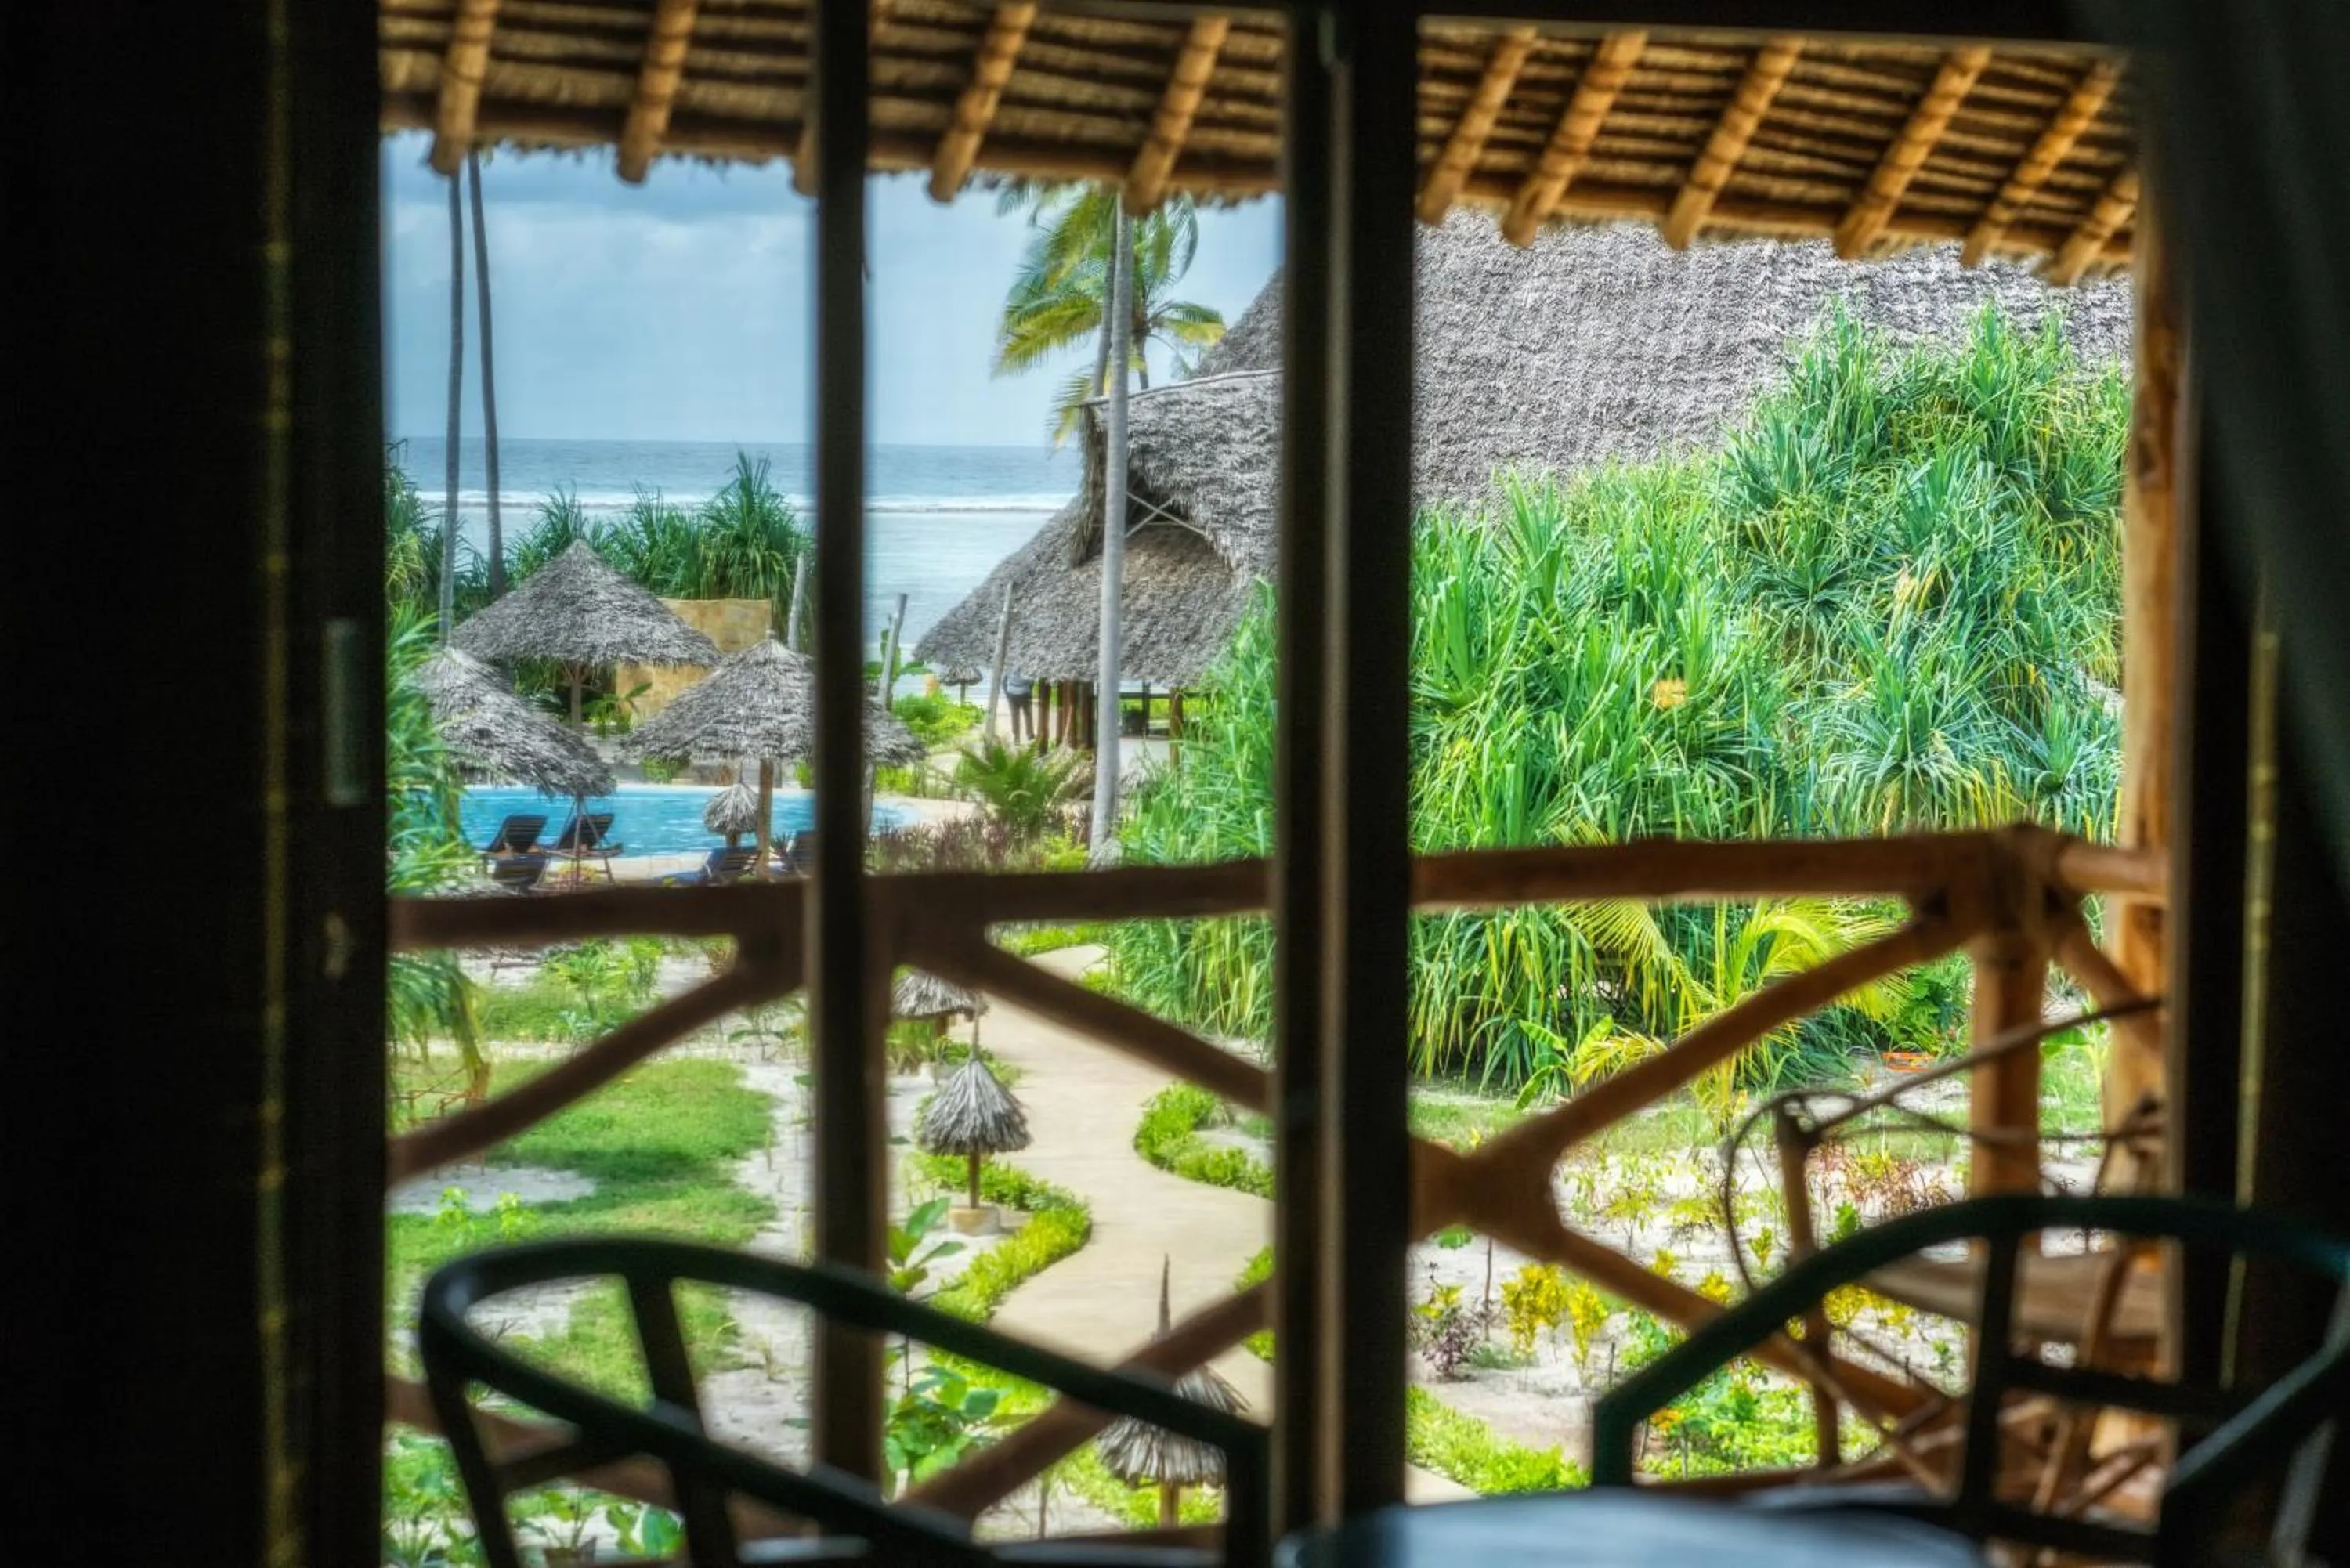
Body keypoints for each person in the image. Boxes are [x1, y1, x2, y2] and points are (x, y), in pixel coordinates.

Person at [1003, 670, 1035, 743]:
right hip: (1025, 693)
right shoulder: (1027, 667)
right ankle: (1029, 734)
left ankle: (1016, 737)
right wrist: (1029, 690)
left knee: (1014, 716)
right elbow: (1032, 681)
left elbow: (1004, 681)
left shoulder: (1009, 667)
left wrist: (1007, 693)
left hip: (1011, 693)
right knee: (1028, 714)